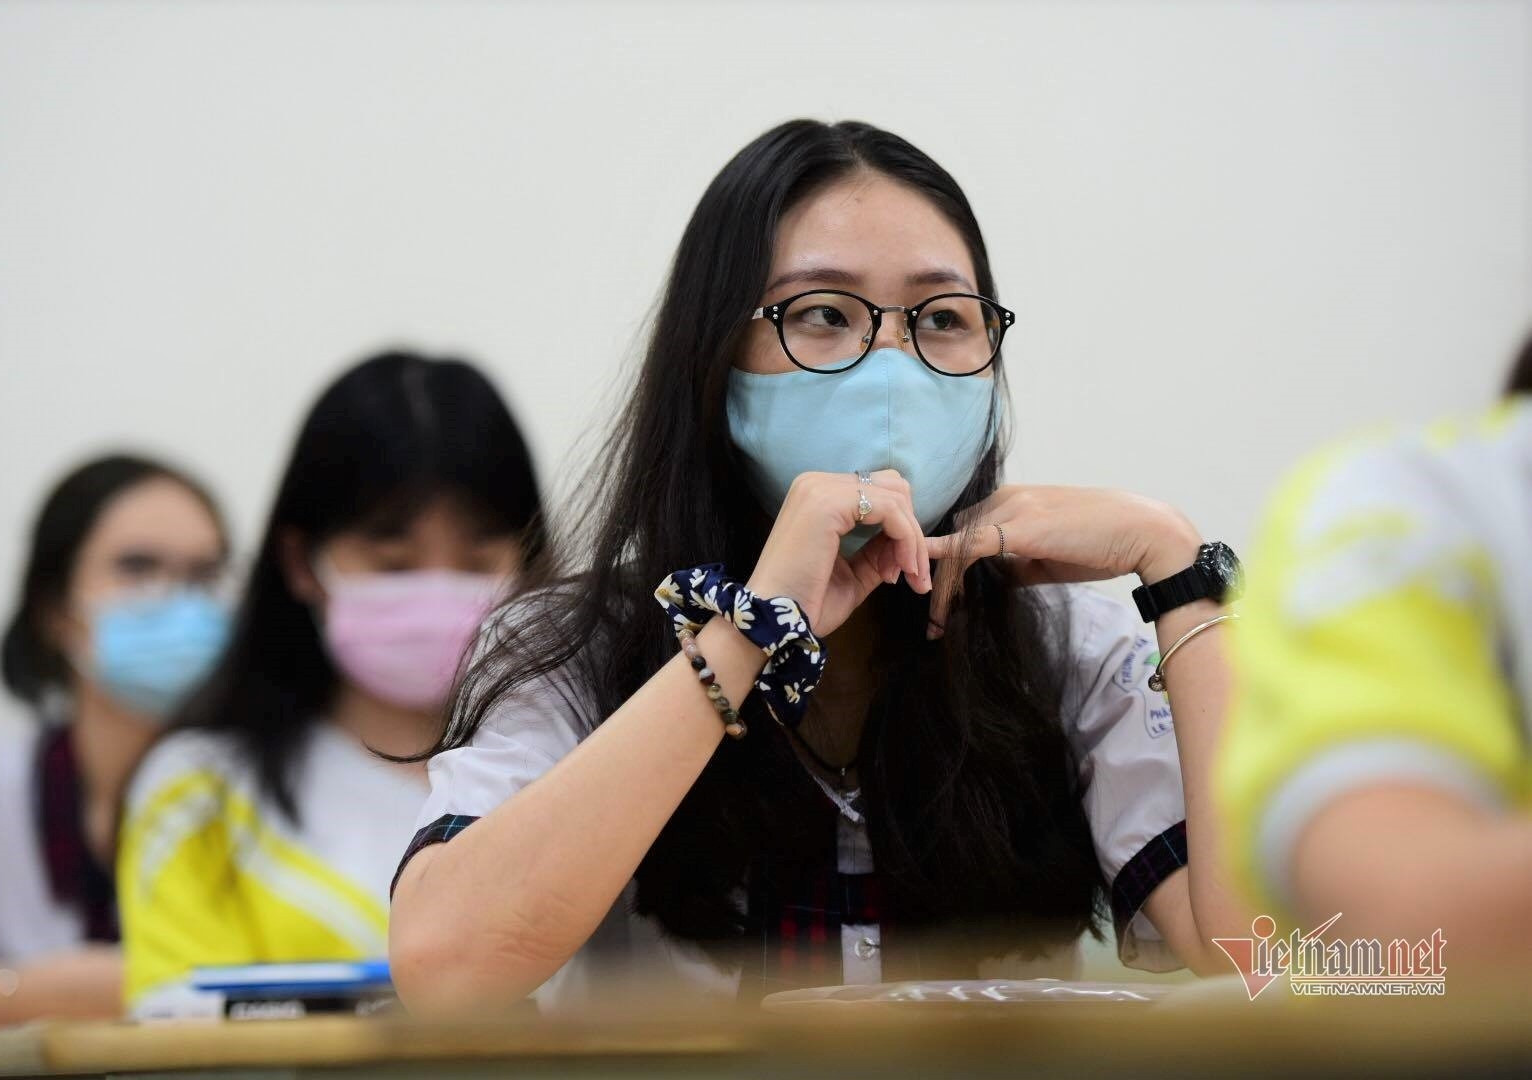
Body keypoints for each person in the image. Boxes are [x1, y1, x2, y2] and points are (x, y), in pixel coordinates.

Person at [390, 120, 1249, 1015]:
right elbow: (448, 966)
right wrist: (750, 630)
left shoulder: (1072, 648)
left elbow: (1267, 958)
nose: (892, 367)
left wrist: (1178, 567)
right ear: (713, 361)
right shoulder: (570, 645)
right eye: (823, 315)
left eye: (944, 320)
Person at [117, 351, 549, 1009]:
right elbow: (172, 1042)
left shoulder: (582, 769)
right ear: (300, 561)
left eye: (478, 560)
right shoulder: (197, 799)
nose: (437, 591)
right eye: (393, 563)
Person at [1219, 331, 1532, 977]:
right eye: (940, 319)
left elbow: (1222, 950)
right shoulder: (1407, 507)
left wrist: (1173, 571)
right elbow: (1403, 934)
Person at [0, 454, 231, 1033]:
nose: (179, 602)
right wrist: (45, 993)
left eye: (204, 575)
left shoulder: (265, 796)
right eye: (137, 567)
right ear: (55, 607)